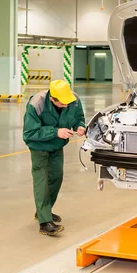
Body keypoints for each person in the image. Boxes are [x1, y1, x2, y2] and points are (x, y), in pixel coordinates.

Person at [23, 80, 86, 235]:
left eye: (67, 103)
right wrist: (55, 132)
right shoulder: (36, 104)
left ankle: (43, 210)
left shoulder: (73, 99)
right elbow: (29, 133)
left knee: (56, 178)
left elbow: (79, 117)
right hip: (39, 148)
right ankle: (44, 223)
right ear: (52, 99)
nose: (66, 106)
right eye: (62, 104)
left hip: (57, 147)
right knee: (42, 182)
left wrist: (80, 126)